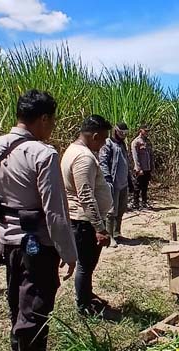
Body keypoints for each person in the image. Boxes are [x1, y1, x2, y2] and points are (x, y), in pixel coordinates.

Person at [0, 89, 78, 351]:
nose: (53, 126)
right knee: (36, 302)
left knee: (15, 297)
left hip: (9, 239)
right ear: (44, 119)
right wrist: (68, 252)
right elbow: (55, 211)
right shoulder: (43, 154)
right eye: (53, 120)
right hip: (37, 243)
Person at [61, 115, 114, 316]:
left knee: (87, 265)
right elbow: (86, 195)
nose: (103, 144)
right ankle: (83, 306)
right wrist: (99, 228)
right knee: (85, 265)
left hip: (83, 220)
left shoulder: (73, 150)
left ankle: (87, 295)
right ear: (94, 136)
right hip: (84, 221)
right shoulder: (83, 157)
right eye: (103, 139)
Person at [99, 122, 131, 247]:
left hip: (123, 183)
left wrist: (129, 180)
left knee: (121, 209)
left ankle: (117, 233)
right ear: (116, 131)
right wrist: (107, 179)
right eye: (122, 133)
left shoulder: (122, 144)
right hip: (112, 182)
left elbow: (125, 162)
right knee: (111, 211)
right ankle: (110, 236)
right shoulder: (108, 143)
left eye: (126, 133)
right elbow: (103, 161)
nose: (124, 135)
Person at [130, 123, 154, 209]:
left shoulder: (148, 141)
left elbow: (151, 155)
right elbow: (135, 156)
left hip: (147, 168)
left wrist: (152, 166)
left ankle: (144, 202)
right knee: (137, 185)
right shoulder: (136, 142)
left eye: (148, 131)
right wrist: (138, 168)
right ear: (141, 130)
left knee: (145, 186)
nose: (147, 132)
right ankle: (135, 202)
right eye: (145, 130)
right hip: (140, 168)